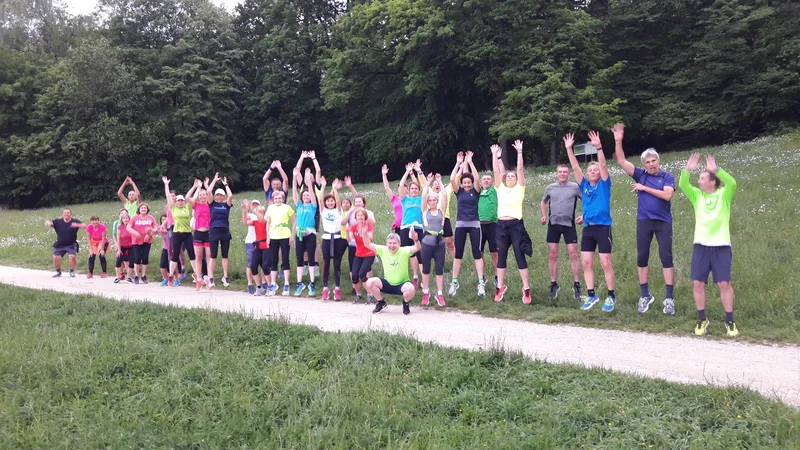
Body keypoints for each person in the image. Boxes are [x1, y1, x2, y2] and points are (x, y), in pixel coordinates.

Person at [611, 123, 677, 315]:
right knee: (642, 257)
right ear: (644, 164)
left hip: (663, 222)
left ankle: (669, 299)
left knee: (666, 257)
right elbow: (622, 161)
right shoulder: (640, 175)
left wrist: (644, 188)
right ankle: (645, 295)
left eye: (653, 160)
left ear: (658, 160)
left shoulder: (667, 176)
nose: (651, 164)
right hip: (644, 221)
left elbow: (667, 196)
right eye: (647, 162)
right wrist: (618, 140)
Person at [680, 153, 739, 337]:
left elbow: (732, 184)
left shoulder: (724, 195)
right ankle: (702, 319)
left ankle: (730, 321)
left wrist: (717, 170)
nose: (699, 181)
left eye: (702, 177)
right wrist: (687, 170)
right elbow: (682, 185)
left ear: (712, 181)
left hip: (721, 246)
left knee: (724, 283)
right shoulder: (697, 196)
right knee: (697, 283)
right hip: (701, 246)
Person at [564, 131, 617, 312]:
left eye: (595, 170)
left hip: (603, 228)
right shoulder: (584, 185)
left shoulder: (604, 183)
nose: (593, 172)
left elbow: (602, 164)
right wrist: (569, 149)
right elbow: (576, 167)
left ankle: (611, 296)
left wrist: (599, 147)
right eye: (590, 170)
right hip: (588, 229)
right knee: (586, 263)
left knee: (605, 263)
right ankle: (592, 295)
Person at [492, 141, 533, 303]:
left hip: (516, 226)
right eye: (508, 176)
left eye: (513, 176)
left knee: (519, 256)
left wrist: (520, 152)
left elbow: (520, 169)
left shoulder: (519, 188)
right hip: (500, 226)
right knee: (501, 257)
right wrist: (495, 155)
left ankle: (526, 288)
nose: (510, 177)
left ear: (516, 179)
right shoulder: (499, 188)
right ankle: (500, 286)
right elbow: (496, 171)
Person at [540, 164, 583, 301]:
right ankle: (553, 284)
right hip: (553, 224)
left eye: (565, 172)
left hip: (569, 224)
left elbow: (587, 201)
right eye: (560, 172)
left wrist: (584, 215)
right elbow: (543, 201)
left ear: (569, 174)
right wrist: (544, 215)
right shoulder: (550, 187)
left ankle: (577, 285)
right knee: (552, 254)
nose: (562, 174)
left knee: (573, 254)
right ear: (556, 173)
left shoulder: (575, 187)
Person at [449, 151, 487, 297]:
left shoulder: (476, 191)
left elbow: (477, 178)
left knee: (476, 253)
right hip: (460, 225)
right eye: (464, 182)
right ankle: (454, 282)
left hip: (475, 225)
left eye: (468, 182)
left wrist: (470, 162)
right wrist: (458, 163)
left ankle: (481, 283)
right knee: (458, 254)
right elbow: (452, 179)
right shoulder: (458, 192)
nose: (467, 184)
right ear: (462, 183)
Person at [362, 231, 422, 315]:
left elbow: (417, 247)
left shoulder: (404, 251)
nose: (392, 246)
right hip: (387, 283)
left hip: (402, 284)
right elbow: (367, 244)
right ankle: (381, 303)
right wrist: (364, 234)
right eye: (389, 243)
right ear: (386, 244)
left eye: (394, 243)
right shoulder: (383, 250)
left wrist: (416, 240)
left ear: (399, 243)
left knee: (411, 289)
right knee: (370, 282)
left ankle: (405, 303)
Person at [163, 176, 199, 287]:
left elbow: (193, 197)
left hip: (187, 234)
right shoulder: (173, 208)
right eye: (178, 201)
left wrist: (196, 187)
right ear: (176, 202)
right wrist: (166, 184)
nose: (180, 202)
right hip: (177, 233)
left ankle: (197, 274)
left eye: (181, 201)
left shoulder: (187, 207)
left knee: (192, 255)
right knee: (175, 256)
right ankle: (171, 275)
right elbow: (168, 196)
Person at [420, 174, 448, 307]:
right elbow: (424, 194)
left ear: (437, 201)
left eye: (434, 200)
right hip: (426, 243)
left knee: (439, 269)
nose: (432, 202)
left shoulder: (442, 211)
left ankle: (439, 293)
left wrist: (440, 181)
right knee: (426, 269)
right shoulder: (425, 211)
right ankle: (426, 293)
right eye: (430, 200)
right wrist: (428, 182)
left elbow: (445, 195)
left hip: (440, 243)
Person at [319, 177, 348, 301]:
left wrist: (335, 189)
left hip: (337, 239)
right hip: (326, 238)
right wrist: (324, 186)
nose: (330, 202)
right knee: (326, 264)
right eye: (328, 201)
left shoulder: (338, 211)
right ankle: (325, 288)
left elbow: (338, 199)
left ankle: (337, 288)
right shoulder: (323, 211)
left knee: (337, 264)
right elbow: (320, 199)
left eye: (332, 201)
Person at [398, 160, 426, 288]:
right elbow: (401, 185)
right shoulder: (405, 199)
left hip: (418, 228)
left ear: (418, 190)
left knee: (420, 253)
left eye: (416, 188)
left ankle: (423, 280)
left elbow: (426, 186)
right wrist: (407, 172)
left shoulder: (421, 199)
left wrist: (418, 171)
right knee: (407, 253)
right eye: (412, 188)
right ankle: (412, 277)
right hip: (405, 228)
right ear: (408, 190)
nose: (414, 190)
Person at [292, 167, 319, 296]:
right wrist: (294, 177)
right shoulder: (299, 205)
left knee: (312, 258)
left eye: (308, 195)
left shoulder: (313, 206)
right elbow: (294, 193)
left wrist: (308, 183)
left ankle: (312, 283)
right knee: (299, 259)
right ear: (302, 197)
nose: (306, 196)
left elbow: (313, 194)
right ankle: (299, 283)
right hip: (299, 234)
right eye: (304, 195)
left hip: (310, 234)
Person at [206, 173, 234, 288]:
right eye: (217, 195)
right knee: (213, 256)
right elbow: (208, 192)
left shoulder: (226, 205)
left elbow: (231, 196)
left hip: (225, 232)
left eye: (221, 195)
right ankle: (211, 277)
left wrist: (225, 184)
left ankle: (225, 276)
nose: (219, 197)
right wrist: (214, 180)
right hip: (214, 231)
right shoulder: (212, 204)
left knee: (225, 255)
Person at [266, 190, 295, 296]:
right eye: (276, 198)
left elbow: (294, 221)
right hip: (273, 236)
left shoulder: (287, 208)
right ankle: (273, 283)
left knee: (285, 259)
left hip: (285, 235)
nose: (278, 200)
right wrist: (267, 236)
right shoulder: (270, 208)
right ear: (273, 199)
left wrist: (292, 235)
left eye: (279, 198)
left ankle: (286, 283)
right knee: (274, 260)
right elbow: (268, 223)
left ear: (283, 199)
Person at [187, 179, 213, 290]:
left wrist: (206, 187)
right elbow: (187, 198)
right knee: (198, 257)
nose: (203, 197)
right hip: (198, 233)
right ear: (198, 196)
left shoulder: (210, 205)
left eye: (204, 195)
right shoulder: (196, 205)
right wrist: (195, 187)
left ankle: (208, 278)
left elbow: (210, 194)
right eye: (201, 195)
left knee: (209, 257)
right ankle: (199, 278)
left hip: (208, 233)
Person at [349, 208, 376, 304]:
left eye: (362, 215)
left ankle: (371, 295)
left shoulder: (369, 226)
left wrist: (364, 233)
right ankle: (358, 295)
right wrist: (349, 233)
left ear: (365, 217)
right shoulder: (353, 227)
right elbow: (350, 237)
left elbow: (371, 239)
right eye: (358, 216)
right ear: (355, 218)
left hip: (369, 253)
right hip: (359, 254)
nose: (360, 217)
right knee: (354, 276)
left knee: (362, 274)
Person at [45, 208, 83, 278]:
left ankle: (71, 271)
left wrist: (78, 225)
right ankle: (58, 272)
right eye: (65, 213)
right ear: (62, 214)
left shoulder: (75, 221)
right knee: (56, 257)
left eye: (68, 213)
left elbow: (84, 226)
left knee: (72, 256)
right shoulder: (58, 221)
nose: (66, 214)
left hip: (71, 244)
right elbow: (50, 223)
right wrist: (48, 222)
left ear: (71, 214)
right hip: (60, 244)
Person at [244, 200, 271, 296]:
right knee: (253, 266)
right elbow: (245, 223)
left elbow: (262, 219)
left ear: (263, 213)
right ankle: (259, 287)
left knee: (265, 266)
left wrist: (255, 210)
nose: (258, 213)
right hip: (258, 246)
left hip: (266, 246)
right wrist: (244, 211)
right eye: (257, 212)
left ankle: (269, 286)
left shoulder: (266, 221)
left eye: (260, 212)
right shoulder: (255, 222)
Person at [478, 171, 499, 288]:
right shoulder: (478, 191)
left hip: (492, 225)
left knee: (494, 253)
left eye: (488, 179)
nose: (486, 181)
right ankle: (482, 277)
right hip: (480, 226)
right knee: (479, 253)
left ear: (492, 182)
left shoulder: (494, 191)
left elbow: (499, 174)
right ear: (481, 182)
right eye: (484, 179)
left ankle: (497, 277)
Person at [128, 203, 157, 284]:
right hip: (136, 240)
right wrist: (135, 233)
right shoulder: (134, 218)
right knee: (137, 258)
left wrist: (149, 234)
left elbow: (155, 228)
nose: (143, 209)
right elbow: (128, 227)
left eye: (145, 208)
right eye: (142, 208)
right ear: (139, 209)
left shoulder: (151, 218)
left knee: (145, 257)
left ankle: (144, 276)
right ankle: (136, 275)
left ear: (147, 209)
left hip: (147, 240)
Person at [242, 199, 263, 295]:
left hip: (260, 241)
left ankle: (263, 283)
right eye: (253, 204)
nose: (255, 206)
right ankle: (250, 283)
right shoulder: (251, 215)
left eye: (257, 204)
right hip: (251, 241)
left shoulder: (262, 215)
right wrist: (244, 209)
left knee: (263, 264)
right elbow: (245, 220)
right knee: (250, 263)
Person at [113, 212, 139, 283]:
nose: (125, 219)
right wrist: (118, 249)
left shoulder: (132, 226)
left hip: (131, 246)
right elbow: (118, 238)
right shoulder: (119, 226)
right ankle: (117, 277)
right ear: (121, 219)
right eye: (124, 218)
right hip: (122, 246)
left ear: (129, 219)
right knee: (118, 260)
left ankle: (129, 276)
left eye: (127, 218)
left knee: (131, 261)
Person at [155, 214, 172, 286]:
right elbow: (154, 231)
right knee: (162, 265)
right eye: (162, 219)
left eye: (165, 219)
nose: (164, 221)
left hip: (173, 248)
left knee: (171, 265)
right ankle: (165, 278)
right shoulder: (160, 227)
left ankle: (173, 279)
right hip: (165, 247)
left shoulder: (172, 227)